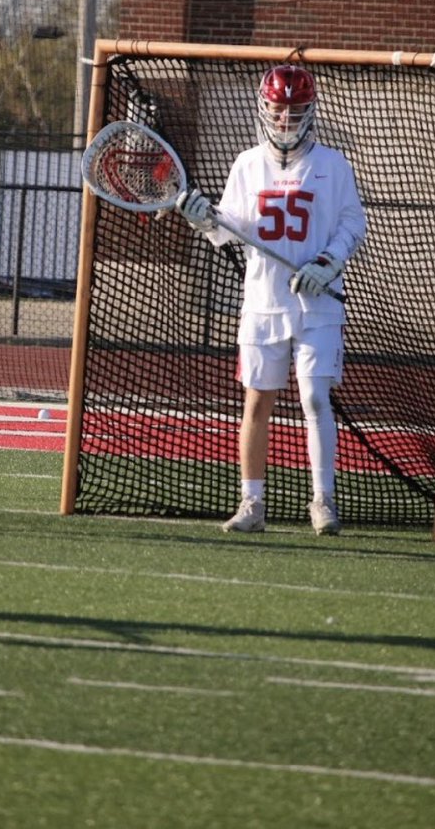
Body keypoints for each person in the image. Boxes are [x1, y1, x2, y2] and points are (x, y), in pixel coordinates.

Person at [176, 63, 366, 536]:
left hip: (318, 305)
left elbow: (352, 224)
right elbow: (229, 228)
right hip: (262, 304)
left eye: (296, 110)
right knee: (257, 402)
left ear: (311, 110)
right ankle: (252, 504)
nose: (286, 119)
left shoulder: (332, 165)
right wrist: (204, 219)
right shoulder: (247, 164)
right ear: (265, 110)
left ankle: (323, 501)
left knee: (314, 397)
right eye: (279, 110)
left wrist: (327, 263)